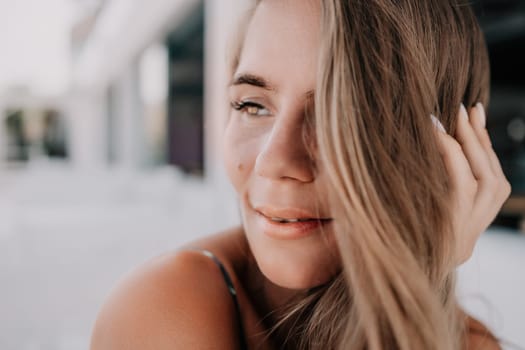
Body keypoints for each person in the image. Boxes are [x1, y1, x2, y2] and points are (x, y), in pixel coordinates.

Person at [90, 0, 511, 349]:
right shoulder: (166, 308)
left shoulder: (469, 340)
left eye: (339, 114)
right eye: (252, 105)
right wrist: (416, 278)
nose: (273, 161)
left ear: (452, 147)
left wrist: (416, 279)